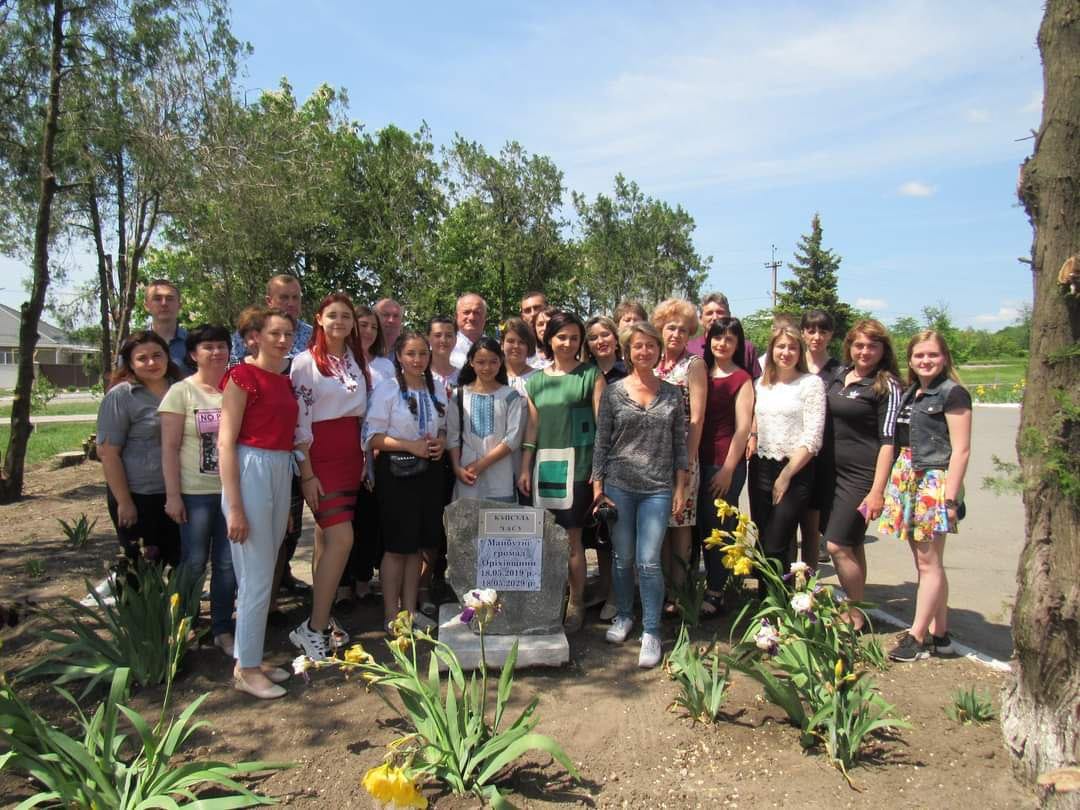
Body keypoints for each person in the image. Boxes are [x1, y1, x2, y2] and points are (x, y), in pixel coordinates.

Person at [592, 321, 688, 668]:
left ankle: (651, 630)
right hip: (619, 485)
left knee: (648, 560)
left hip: (657, 489)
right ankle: (624, 615)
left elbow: (680, 445)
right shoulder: (614, 392)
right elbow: (602, 443)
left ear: (658, 350)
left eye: (650, 346)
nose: (644, 351)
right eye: (637, 346)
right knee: (623, 557)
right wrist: (598, 487)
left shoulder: (673, 393)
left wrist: (681, 486)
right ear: (627, 351)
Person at [218, 308, 300, 699]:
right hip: (250, 468)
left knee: (266, 572)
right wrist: (235, 507)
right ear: (254, 337)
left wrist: (283, 507)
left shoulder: (284, 380)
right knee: (254, 577)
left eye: (288, 333)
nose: (283, 340)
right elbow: (225, 442)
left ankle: (252, 656)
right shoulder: (240, 377)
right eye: (274, 333)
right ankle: (246, 668)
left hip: (280, 468)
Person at [879, 331, 971, 661]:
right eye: (919, 356)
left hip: (934, 480)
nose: (925, 361)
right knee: (927, 563)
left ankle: (916, 637)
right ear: (911, 360)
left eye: (932, 355)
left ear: (944, 357)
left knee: (929, 562)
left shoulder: (953, 394)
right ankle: (941, 635)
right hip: (907, 475)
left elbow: (961, 450)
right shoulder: (911, 392)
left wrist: (949, 498)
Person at [288, 293, 370, 661]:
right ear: (319, 319)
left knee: (326, 543)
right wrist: (306, 473)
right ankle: (313, 629)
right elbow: (299, 421)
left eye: (346, 316)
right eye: (332, 315)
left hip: (352, 456)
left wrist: (365, 455)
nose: (340, 322)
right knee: (342, 539)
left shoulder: (354, 360)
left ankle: (322, 617)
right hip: (321, 458)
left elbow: (360, 413)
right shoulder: (305, 363)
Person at [518, 310, 605, 633]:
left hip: (578, 470)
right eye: (561, 337)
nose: (567, 343)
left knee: (572, 540)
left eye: (573, 337)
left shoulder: (591, 376)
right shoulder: (536, 382)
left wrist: (599, 472)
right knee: (544, 540)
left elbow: (602, 427)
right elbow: (532, 430)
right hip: (543, 471)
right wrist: (525, 468)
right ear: (548, 339)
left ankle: (576, 601)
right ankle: (550, 598)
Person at [230, 274, 312, 600]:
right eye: (283, 298)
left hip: (294, 443)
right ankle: (259, 599)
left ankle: (280, 581)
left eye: (295, 297)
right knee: (254, 534)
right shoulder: (249, 341)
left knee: (288, 528)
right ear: (269, 301)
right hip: (256, 449)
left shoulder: (309, 336)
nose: (290, 304)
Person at [160, 324, 236, 656]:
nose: (216, 352)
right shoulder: (181, 392)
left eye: (222, 346)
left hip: (230, 493)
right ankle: (183, 626)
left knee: (226, 564)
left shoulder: (236, 386)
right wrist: (173, 495)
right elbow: (169, 447)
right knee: (193, 562)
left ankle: (222, 628)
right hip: (195, 493)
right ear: (193, 354)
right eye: (208, 347)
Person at [364, 332, 448, 633]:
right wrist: (408, 445)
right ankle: (391, 614)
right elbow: (371, 437)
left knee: (416, 547)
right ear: (399, 356)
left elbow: (444, 427)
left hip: (429, 473)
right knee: (397, 547)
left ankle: (410, 612)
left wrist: (439, 441)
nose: (417, 360)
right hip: (397, 474)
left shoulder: (436, 386)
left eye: (423, 354)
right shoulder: (386, 390)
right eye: (411, 354)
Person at [821, 319, 902, 631]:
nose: (865, 351)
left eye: (872, 346)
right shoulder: (840, 376)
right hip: (832, 473)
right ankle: (859, 605)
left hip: (861, 476)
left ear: (883, 350)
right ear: (849, 348)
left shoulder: (887, 385)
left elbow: (888, 441)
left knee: (837, 546)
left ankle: (853, 614)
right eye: (859, 345)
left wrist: (877, 490)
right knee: (853, 544)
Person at [97, 331, 184, 567]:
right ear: (131, 364)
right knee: (140, 569)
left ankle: (182, 606)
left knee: (180, 564)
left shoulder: (182, 389)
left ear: (168, 356)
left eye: (157, 355)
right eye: (142, 358)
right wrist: (124, 501)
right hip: (138, 496)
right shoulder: (121, 396)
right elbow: (108, 454)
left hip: (178, 492)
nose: (152, 363)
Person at [748, 324, 826, 572]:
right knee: (762, 542)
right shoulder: (760, 384)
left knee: (776, 542)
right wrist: (752, 435)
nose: (786, 352)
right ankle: (766, 603)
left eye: (793, 347)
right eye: (780, 346)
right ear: (771, 350)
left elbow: (813, 438)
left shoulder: (810, 384)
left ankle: (783, 605)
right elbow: (757, 416)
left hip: (795, 470)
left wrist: (786, 475)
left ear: (800, 352)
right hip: (761, 466)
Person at [697, 316, 754, 616]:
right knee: (699, 528)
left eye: (729, 339)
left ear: (737, 344)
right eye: (717, 337)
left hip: (723, 463)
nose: (722, 343)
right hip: (697, 460)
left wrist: (729, 469)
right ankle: (695, 584)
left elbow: (743, 429)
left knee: (719, 527)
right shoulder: (700, 372)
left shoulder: (741, 379)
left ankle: (717, 589)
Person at [652, 299, 706, 613]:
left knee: (681, 522)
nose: (676, 334)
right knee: (658, 523)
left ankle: (679, 594)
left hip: (683, 454)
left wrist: (686, 464)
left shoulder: (693, 365)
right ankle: (659, 591)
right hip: (652, 455)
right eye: (671, 327)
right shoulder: (652, 361)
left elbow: (697, 418)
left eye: (683, 330)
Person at [583, 315, 627, 619]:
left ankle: (617, 594)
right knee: (597, 530)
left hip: (620, 459)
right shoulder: (584, 373)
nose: (601, 341)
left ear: (615, 338)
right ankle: (603, 586)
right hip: (588, 457)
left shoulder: (627, 374)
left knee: (617, 530)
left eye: (605, 335)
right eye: (594, 337)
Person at [448, 337, 525, 502]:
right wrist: (456, 468)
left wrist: (481, 464)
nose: (487, 367)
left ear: (501, 362)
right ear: (471, 362)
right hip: (466, 473)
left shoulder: (510, 395)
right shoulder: (459, 395)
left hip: (501, 474)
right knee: (467, 525)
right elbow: (452, 437)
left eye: (493, 361)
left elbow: (513, 439)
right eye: (481, 362)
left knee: (498, 524)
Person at [799, 309, 841, 569]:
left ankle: (809, 582)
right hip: (792, 452)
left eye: (823, 331)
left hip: (825, 455)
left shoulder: (839, 371)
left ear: (831, 335)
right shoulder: (793, 363)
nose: (816, 336)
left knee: (812, 527)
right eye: (811, 330)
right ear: (802, 332)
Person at [686, 293, 762, 379]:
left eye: (720, 312)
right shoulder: (689, 349)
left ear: (729, 315)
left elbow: (757, 383)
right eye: (709, 313)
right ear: (700, 319)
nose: (715, 317)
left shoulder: (747, 348)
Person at [144, 279, 190, 375]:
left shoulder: (194, 343)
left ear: (179, 305)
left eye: (169, 299)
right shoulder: (133, 345)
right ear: (146, 306)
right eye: (157, 298)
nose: (164, 303)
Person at [356, 304, 395, 388]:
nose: (369, 331)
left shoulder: (386, 365)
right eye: (363, 325)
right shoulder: (341, 364)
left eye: (374, 327)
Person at [584, 315, 627, 383]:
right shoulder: (582, 374)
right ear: (587, 346)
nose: (600, 341)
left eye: (605, 335)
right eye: (593, 338)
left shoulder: (630, 372)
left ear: (616, 339)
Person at [449, 293, 487, 368]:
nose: (471, 318)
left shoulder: (496, 348)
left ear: (485, 318)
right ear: (456, 316)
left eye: (477, 313)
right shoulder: (445, 348)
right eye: (466, 312)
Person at [501, 317, 538, 395]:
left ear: (529, 346)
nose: (516, 346)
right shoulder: (492, 376)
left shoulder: (538, 377)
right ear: (502, 344)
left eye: (522, 342)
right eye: (510, 341)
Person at [427, 315, 460, 398]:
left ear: (455, 340)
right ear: (428, 338)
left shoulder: (462, 377)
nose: (443, 340)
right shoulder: (419, 375)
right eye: (437, 335)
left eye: (449, 335)